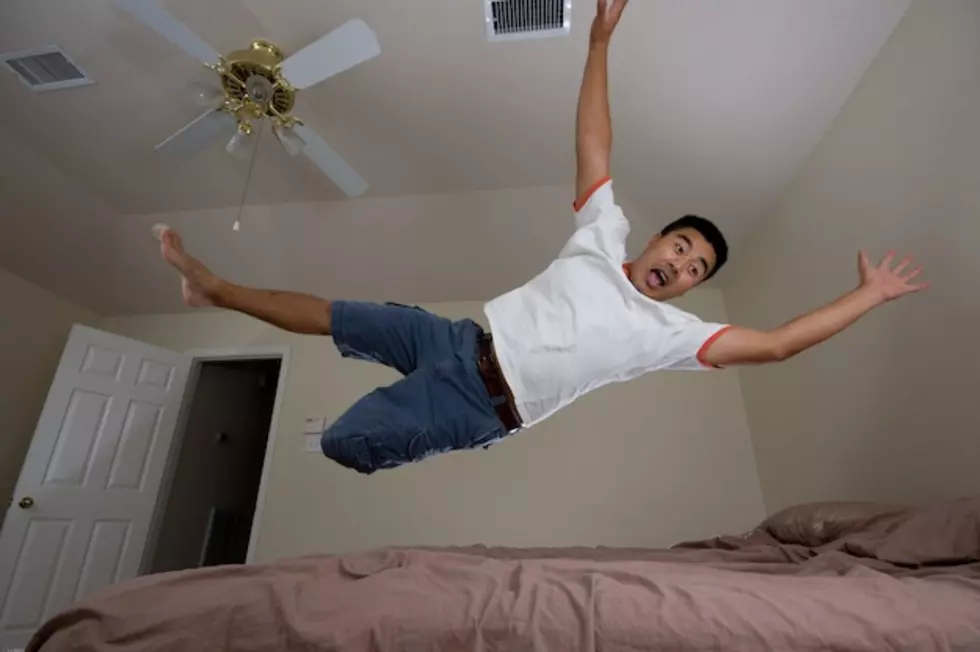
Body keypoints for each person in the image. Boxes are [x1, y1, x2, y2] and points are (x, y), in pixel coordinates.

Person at [157, 0, 929, 474]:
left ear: (690, 288)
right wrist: (597, 45)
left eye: (695, 269)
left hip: (485, 405)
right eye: (681, 247)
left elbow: (776, 345)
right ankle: (215, 287)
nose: (682, 265)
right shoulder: (602, 234)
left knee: (345, 441)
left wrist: (867, 295)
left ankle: (351, 433)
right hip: (456, 338)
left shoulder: (672, 333)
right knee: (340, 313)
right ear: (655, 239)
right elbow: (595, 143)